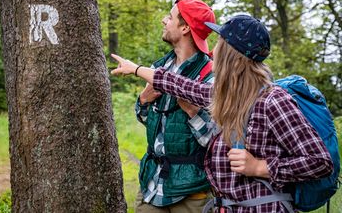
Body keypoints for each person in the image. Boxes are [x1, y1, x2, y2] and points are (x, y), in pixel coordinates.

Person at [111, 15, 333, 212]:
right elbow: (182, 86)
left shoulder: (272, 100)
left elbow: (319, 162)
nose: (212, 50)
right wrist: (137, 69)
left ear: (230, 54)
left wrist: (260, 166)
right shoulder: (228, 96)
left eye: (218, 43)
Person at [131, 0, 218, 212]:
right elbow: (151, 122)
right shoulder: (158, 68)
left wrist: (193, 113)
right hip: (151, 184)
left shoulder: (211, 76)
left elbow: (215, 143)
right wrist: (143, 101)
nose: (163, 20)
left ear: (185, 28)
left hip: (192, 192)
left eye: (170, 17)